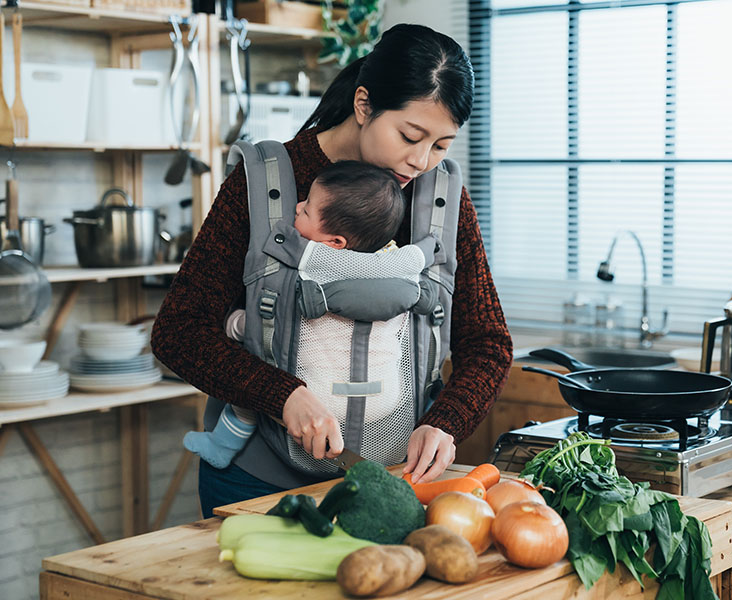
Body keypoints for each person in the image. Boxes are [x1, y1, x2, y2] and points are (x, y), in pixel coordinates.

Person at [151, 23, 513, 518]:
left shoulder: (442, 202)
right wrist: (282, 396)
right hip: (253, 485)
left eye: (441, 146)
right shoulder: (266, 185)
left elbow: (489, 342)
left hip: (388, 483)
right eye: (410, 136)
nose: (420, 161)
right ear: (364, 105)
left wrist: (447, 422)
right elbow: (179, 332)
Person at [183, 159, 409, 469]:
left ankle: (223, 444)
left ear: (334, 243)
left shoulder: (305, 274)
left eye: (305, 210)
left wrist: (233, 324)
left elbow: (270, 324)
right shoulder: (395, 268)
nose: (298, 205)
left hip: (315, 400)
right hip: (386, 401)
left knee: (252, 374)